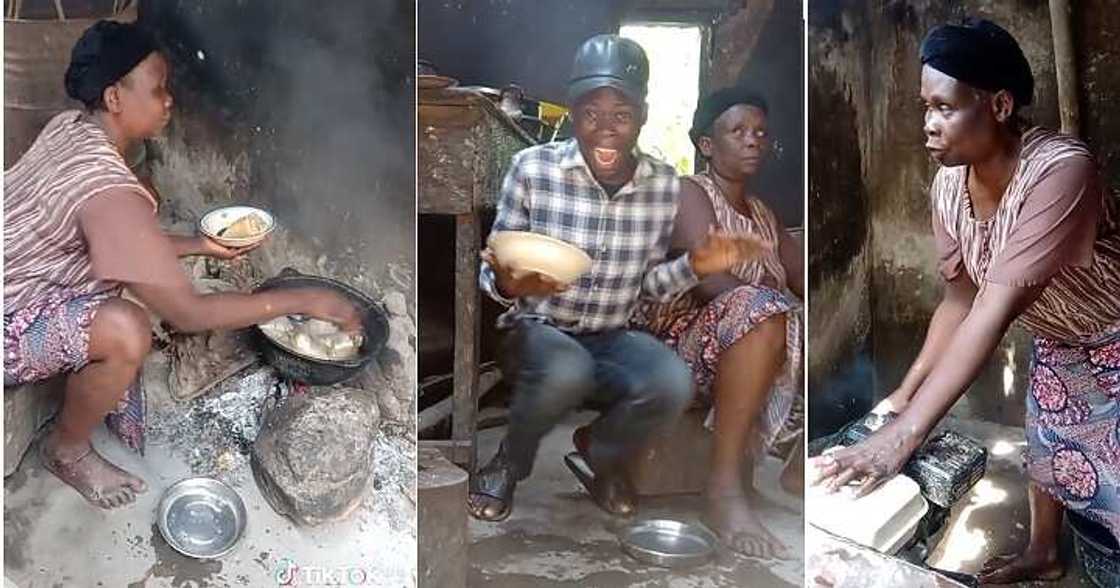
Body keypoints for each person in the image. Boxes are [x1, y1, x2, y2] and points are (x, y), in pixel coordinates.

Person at [809, 19, 1119, 584]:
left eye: (944, 108)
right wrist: (901, 399)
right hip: (1063, 338)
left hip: (1115, 332)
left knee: (1112, 489)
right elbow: (959, 301)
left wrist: (903, 438)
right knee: (1050, 448)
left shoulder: (1060, 172)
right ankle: (1044, 554)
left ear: (999, 105)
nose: (928, 126)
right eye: (923, 107)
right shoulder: (949, 186)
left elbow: (993, 312)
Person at [3, 21, 361, 510]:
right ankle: (65, 451)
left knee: (136, 231)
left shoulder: (70, 128)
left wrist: (199, 246)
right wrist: (306, 299)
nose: (169, 100)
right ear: (113, 97)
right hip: (9, 314)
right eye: (158, 89)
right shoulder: (109, 193)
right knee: (128, 330)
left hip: (20, 272)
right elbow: (188, 314)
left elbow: (118, 238)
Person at [467, 34, 769, 522]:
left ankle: (603, 458)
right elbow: (494, 264)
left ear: (643, 116)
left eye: (621, 115)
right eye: (591, 114)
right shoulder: (532, 168)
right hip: (537, 329)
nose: (605, 131)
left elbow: (648, 287)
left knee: (671, 381)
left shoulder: (661, 185)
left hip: (612, 334)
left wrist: (697, 267)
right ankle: (509, 461)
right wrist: (509, 283)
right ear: (572, 110)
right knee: (566, 369)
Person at [632, 88, 803, 558]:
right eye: (738, 131)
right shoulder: (690, 193)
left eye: (761, 133)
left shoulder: (766, 217)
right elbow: (710, 284)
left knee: (809, 313)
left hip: (741, 342)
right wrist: (783, 323)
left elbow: (807, 281)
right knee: (762, 309)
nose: (753, 141)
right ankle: (722, 490)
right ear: (707, 145)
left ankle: (800, 462)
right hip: (675, 351)